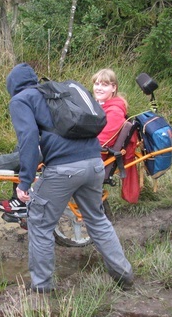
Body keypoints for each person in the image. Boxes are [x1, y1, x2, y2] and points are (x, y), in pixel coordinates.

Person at [7, 63, 134, 292]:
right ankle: (124, 274)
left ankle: (41, 287)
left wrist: (24, 182)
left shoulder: (21, 100)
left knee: (40, 223)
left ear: (12, 86)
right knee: (96, 219)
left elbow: (28, 139)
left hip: (63, 170)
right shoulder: (55, 93)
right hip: (94, 164)